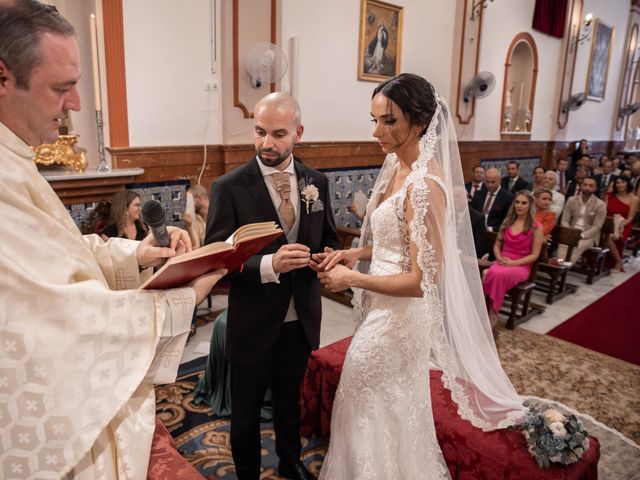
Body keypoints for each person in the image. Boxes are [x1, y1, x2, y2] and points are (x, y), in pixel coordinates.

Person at [0, 2, 226, 478]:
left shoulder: (14, 159)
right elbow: (53, 321)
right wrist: (180, 300)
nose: (77, 104)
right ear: (3, 78)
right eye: (62, 88)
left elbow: (61, 251)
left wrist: (138, 252)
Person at [313, 73, 525, 479]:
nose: (377, 131)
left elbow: (420, 280)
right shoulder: (396, 165)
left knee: (368, 398)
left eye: (389, 121)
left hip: (401, 318)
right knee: (376, 406)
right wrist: (355, 251)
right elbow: (400, 244)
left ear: (420, 122)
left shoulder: (426, 185)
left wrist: (351, 279)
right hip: (382, 310)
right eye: (374, 119)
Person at [205, 92, 340, 480]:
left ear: (298, 132)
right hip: (253, 319)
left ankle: (289, 461)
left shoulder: (317, 183)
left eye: (278, 133)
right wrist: (268, 265)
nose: (267, 143)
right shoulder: (228, 187)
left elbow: (329, 237)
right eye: (260, 132)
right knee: (244, 412)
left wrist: (328, 256)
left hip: (301, 316)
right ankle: (247, 473)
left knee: (289, 401)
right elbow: (217, 262)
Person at [483, 191, 544, 329]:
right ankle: (482, 310)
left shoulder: (536, 227)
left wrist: (513, 263)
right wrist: (498, 257)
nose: (519, 205)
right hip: (502, 261)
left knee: (494, 274)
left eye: (523, 203)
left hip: (521, 266)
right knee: (487, 273)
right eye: (517, 202)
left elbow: (534, 255)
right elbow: (497, 244)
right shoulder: (507, 221)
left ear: (530, 205)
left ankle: (492, 313)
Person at [557, 177, 607, 263]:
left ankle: (566, 265)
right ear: (580, 186)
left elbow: (597, 226)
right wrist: (569, 231)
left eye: (591, 186)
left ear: (595, 189)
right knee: (563, 244)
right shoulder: (571, 200)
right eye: (585, 185)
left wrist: (582, 235)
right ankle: (559, 263)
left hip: (589, 236)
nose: (587, 188)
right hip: (572, 232)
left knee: (578, 245)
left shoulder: (600, 204)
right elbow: (565, 220)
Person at [605, 176, 639, 272]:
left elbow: (630, 218)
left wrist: (619, 226)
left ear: (628, 184)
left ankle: (618, 261)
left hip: (623, 224)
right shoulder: (610, 195)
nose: (620, 185)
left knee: (608, 237)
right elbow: (604, 210)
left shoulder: (634, 199)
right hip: (608, 222)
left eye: (623, 182)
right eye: (617, 183)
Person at [471, 167, 514, 231]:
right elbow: (472, 214)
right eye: (487, 182)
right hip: (476, 229)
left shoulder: (508, 197)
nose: (489, 185)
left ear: (500, 180)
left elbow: (507, 220)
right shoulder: (478, 194)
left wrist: (491, 229)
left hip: (494, 233)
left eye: (493, 182)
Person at [184, 184, 209, 248]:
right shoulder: (195, 220)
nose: (187, 205)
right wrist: (189, 227)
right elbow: (195, 247)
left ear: (199, 198)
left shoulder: (219, 211)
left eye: (189, 200)